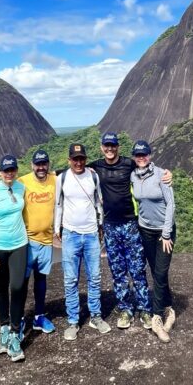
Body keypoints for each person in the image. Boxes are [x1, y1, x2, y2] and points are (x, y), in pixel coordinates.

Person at [87, 132, 152, 329]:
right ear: (101, 147)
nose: (109, 149)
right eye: (106, 146)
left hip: (130, 224)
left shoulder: (128, 164)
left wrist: (167, 174)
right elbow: (70, 170)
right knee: (118, 271)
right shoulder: (96, 166)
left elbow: (148, 168)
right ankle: (125, 309)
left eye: (113, 146)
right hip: (110, 226)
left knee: (137, 268)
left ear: (118, 147)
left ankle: (145, 309)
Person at [54, 142, 111, 341]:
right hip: (70, 234)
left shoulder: (93, 176)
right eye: (75, 159)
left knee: (94, 277)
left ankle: (95, 316)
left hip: (91, 234)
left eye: (81, 159)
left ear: (85, 160)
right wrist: (56, 229)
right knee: (71, 280)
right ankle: (73, 321)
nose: (78, 162)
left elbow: (98, 202)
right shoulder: (62, 178)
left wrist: (101, 226)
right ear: (69, 160)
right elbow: (58, 204)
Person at [0, 154, 28, 362]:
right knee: (1, 289)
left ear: (16, 171)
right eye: (6, 170)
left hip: (20, 245)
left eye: (12, 170)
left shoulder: (21, 187)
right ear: (0, 172)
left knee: (18, 287)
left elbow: (46, 176)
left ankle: (15, 333)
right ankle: (4, 327)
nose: (9, 173)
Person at [130, 140, 176, 343]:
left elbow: (171, 205)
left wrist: (166, 233)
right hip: (145, 231)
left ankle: (157, 317)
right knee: (156, 270)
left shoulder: (161, 175)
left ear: (150, 156)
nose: (142, 158)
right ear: (134, 157)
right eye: (138, 155)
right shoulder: (132, 175)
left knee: (160, 272)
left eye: (145, 155)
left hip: (163, 233)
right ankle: (169, 308)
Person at [18, 149, 56, 333]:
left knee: (41, 279)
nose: (41, 167)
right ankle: (19, 318)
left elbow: (75, 172)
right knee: (23, 282)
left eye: (44, 164)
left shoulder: (55, 180)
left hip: (46, 241)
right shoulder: (23, 182)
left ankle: (39, 316)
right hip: (27, 242)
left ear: (48, 164)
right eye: (38, 164)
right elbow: (4, 184)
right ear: (32, 165)